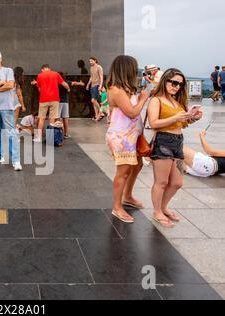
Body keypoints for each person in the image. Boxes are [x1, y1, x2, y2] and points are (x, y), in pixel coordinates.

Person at [147, 68, 203, 228]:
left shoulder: (176, 102)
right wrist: (176, 117)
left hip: (178, 142)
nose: (177, 86)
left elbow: (181, 124)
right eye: (174, 83)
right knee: (162, 181)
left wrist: (192, 118)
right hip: (163, 142)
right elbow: (153, 123)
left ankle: (163, 207)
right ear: (165, 81)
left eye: (180, 84)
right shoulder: (156, 100)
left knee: (177, 182)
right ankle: (157, 211)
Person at [106, 55, 150, 224]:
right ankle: (117, 207)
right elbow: (131, 112)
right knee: (123, 172)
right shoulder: (116, 90)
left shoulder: (125, 89)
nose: (136, 72)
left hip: (132, 135)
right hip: (121, 137)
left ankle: (128, 196)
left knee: (137, 165)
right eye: (134, 68)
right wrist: (143, 100)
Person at [31, 65, 70, 143]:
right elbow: (64, 84)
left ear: (42, 69)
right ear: (49, 68)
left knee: (41, 118)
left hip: (43, 99)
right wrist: (68, 88)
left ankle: (39, 137)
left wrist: (43, 92)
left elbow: (39, 88)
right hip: (54, 99)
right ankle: (50, 138)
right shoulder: (56, 74)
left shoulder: (39, 75)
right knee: (52, 118)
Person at [86, 57, 104, 122]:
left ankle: (101, 112)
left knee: (93, 100)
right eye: (89, 61)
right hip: (92, 86)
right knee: (94, 102)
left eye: (91, 61)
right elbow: (91, 77)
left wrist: (100, 85)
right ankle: (97, 116)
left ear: (95, 61)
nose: (90, 62)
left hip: (97, 85)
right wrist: (88, 84)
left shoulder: (99, 67)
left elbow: (101, 76)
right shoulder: (91, 68)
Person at [58, 72, 73, 139]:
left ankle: (58, 133)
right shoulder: (66, 82)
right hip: (65, 102)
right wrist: (80, 83)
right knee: (65, 118)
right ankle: (66, 134)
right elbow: (73, 83)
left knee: (57, 118)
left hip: (58, 102)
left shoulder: (56, 83)